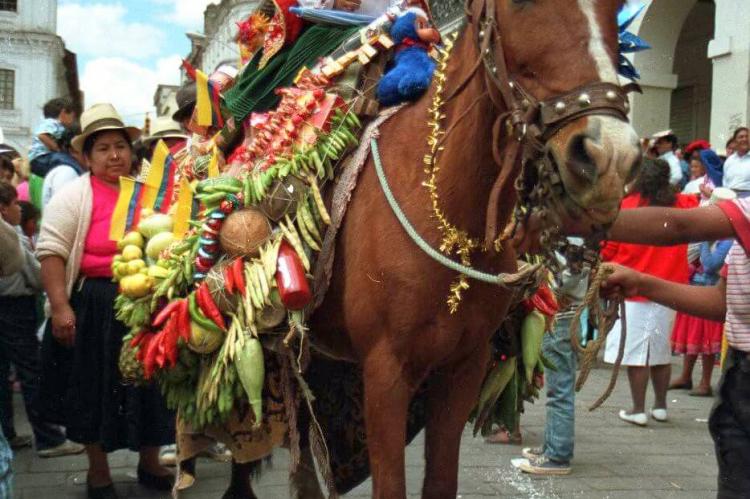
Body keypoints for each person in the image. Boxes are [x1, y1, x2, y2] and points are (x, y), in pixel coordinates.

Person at [36, 103, 175, 498]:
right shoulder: (73, 196)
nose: (114, 155)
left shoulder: (149, 194)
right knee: (90, 390)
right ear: (86, 156)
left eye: (121, 146)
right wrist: (61, 307)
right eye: (103, 149)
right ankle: (99, 473)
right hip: (93, 305)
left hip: (145, 304)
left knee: (149, 388)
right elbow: (51, 252)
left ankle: (149, 464)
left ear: (132, 152)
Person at [589, 184, 750, 496]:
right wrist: (642, 283)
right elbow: (724, 302)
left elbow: (679, 226)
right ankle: (655, 405)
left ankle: (643, 406)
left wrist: (580, 220)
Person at [600, 159, 697, 426]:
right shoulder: (681, 204)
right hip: (671, 289)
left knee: (636, 354)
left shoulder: (627, 207)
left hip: (634, 288)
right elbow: (698, 201)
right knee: (660, 351)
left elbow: (607, 249)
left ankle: (638, 409)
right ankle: (661, 406)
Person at [0, 181, 84, 459]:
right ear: (3, 208)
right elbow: (33, 273)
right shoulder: (10, 235)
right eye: (13, 204)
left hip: (9, 307)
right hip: (15, 307)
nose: (18, 209)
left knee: (2, 371)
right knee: (30, 370)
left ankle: (8, 431)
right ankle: (48, 438)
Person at [516, 241, 589, 475]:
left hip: (560, 317)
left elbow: (571, 273)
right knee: (557, 390)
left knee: (559, 391)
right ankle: (551, 447)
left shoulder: (576, 236)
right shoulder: (576, 232)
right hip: (560, 315)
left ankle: (557, 456)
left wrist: (540, 285)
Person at [669, 190, 733, 397]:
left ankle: (705, 382)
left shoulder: (727, 240)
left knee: (706, 340)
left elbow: (710, 264)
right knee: (692, 337)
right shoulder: (717, 238)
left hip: (711, 292)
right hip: (696, 286)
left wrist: (704, 241)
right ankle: (686, 376)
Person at [28, 98, 78, 178]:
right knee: (71, 163)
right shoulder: (52, 123)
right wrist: (57, 149)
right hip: (41, 157)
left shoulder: (54, 125)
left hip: (40, 160)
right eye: (72, 117)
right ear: (63, 113)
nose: (73, 120)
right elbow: (42, 136)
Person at [722, 126, 750, 197]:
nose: (745, 139)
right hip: (730, 196)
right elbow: (725, 182)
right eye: (741, 137)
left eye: (747, 136)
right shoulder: (729, 160)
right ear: (735, 142)